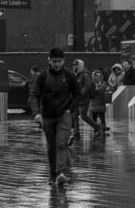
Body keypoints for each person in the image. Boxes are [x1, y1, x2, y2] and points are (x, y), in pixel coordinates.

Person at [30, 47, 80, 186]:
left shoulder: (69, 75)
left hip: (64, 115)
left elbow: (78, 94)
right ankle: (53, 174)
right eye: (54, 61)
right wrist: (36, 113)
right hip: (47, 117)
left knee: (61, 144)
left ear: (63, 61)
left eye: (59, 61)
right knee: (51, 146)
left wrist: (70, 109)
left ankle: (60, 172)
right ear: (49, 61)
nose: (57, 64)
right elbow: (34, 94)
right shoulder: (42, 76)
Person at [72, 58, 101, 139]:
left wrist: (80, 93)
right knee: (74, 116)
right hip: (77, 99)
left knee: (83, 116)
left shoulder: (85, 75)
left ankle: (97, 127)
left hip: (84, 99)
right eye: (74, 65)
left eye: (76, 65)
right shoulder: (76, 74)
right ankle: (76, 133)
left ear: (80, 66)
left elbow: (87, 86)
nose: (74, 67)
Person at [89, 68, 109, 137]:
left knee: (102, 117)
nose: (98, 77)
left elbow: (103, 88)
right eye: (97, 75)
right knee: (94, 117)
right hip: (94, 103)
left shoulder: (104, 82)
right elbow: (91, 91)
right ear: (94, 76)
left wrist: (98, 89)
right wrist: (97, 89)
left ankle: (103, 128)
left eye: (100, 75)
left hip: (101, 103)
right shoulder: (91, 83)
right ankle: (95, 128)